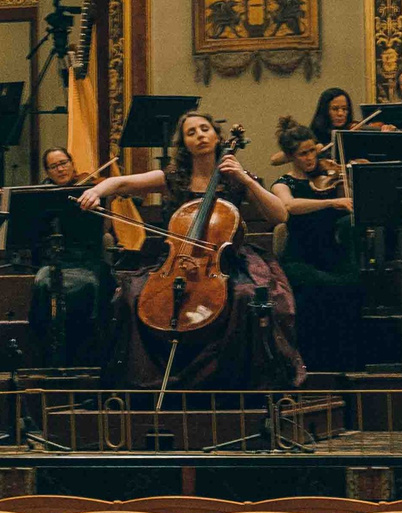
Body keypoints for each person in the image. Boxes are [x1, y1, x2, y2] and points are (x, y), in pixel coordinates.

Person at [80, 111, 302, 389]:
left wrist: (246, 180)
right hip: (177, 260)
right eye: (191, 132)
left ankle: (232, 381)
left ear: (217, 136)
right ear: (184, 143)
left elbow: (280, 215)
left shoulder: (235, 178)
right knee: (131, 296)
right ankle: (146, 379)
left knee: (245, 297)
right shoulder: (175, 177)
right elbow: (121, 183)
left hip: (227, 261)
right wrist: (97, 191)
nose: (199, 135)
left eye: (204, 129)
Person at [272, 122, 361, 373]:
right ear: (290, 157)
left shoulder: (329, 178)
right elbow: (289, 206)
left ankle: (346, 364)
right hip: (300, 259)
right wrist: (331, 202)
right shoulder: (283, 183)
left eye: (313, 151)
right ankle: (315, 365)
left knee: (354, 285)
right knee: (317, 289)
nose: (310, 157)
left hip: (332, 255)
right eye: (303, 153)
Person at [26, 146, 111, 373]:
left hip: (87, 260)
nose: (60, 169)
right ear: (47, 172)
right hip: (55, 260)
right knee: (42, 283)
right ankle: (47, 350)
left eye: (64, 163)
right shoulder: (41, 197)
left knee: (91, 284)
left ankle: (87, 354)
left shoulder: (89, 191)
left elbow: (99, 232)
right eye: (53, 166)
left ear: (72, 164)